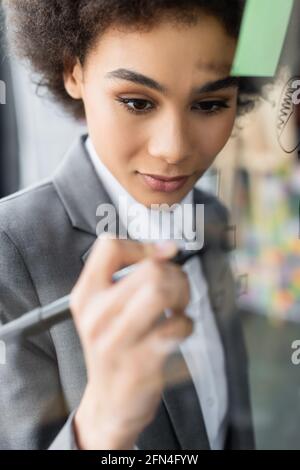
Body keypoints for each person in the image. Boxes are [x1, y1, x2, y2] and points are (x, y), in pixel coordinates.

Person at [0, 0, 259, 450]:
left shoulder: (211, 215)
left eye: (211, 103)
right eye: (137, 102)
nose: (174, 149)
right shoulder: (11, 251)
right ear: (73, 72)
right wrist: (101, 426)